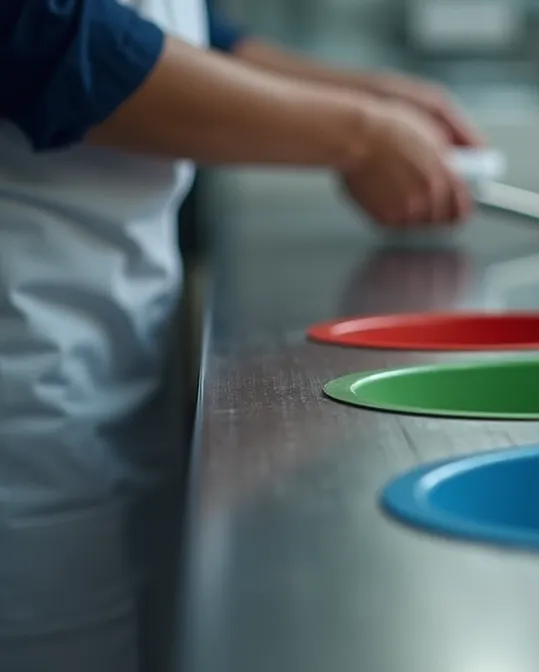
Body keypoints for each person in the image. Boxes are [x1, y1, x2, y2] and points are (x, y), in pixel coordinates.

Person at [0, 1, 481, 670]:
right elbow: (45, 36)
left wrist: (367, 95)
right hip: (23, 380)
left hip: (101, 364)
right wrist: (357, 133)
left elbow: (175, 31)